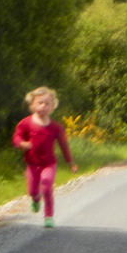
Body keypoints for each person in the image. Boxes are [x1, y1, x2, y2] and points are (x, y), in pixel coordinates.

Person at [12, 86, 77, 228]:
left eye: (47, 104)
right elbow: (16, 137)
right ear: (32, 105)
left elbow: (64, 145)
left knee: (47, 186)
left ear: (52, 107)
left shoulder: (56, 127)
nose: (43, 106)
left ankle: (48, 216)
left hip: (49, 164)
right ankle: (35, 199)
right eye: (40, 103)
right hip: (32, 164)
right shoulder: (26, 123)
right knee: (33, 191)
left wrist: (70, 162)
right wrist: (22, 144)